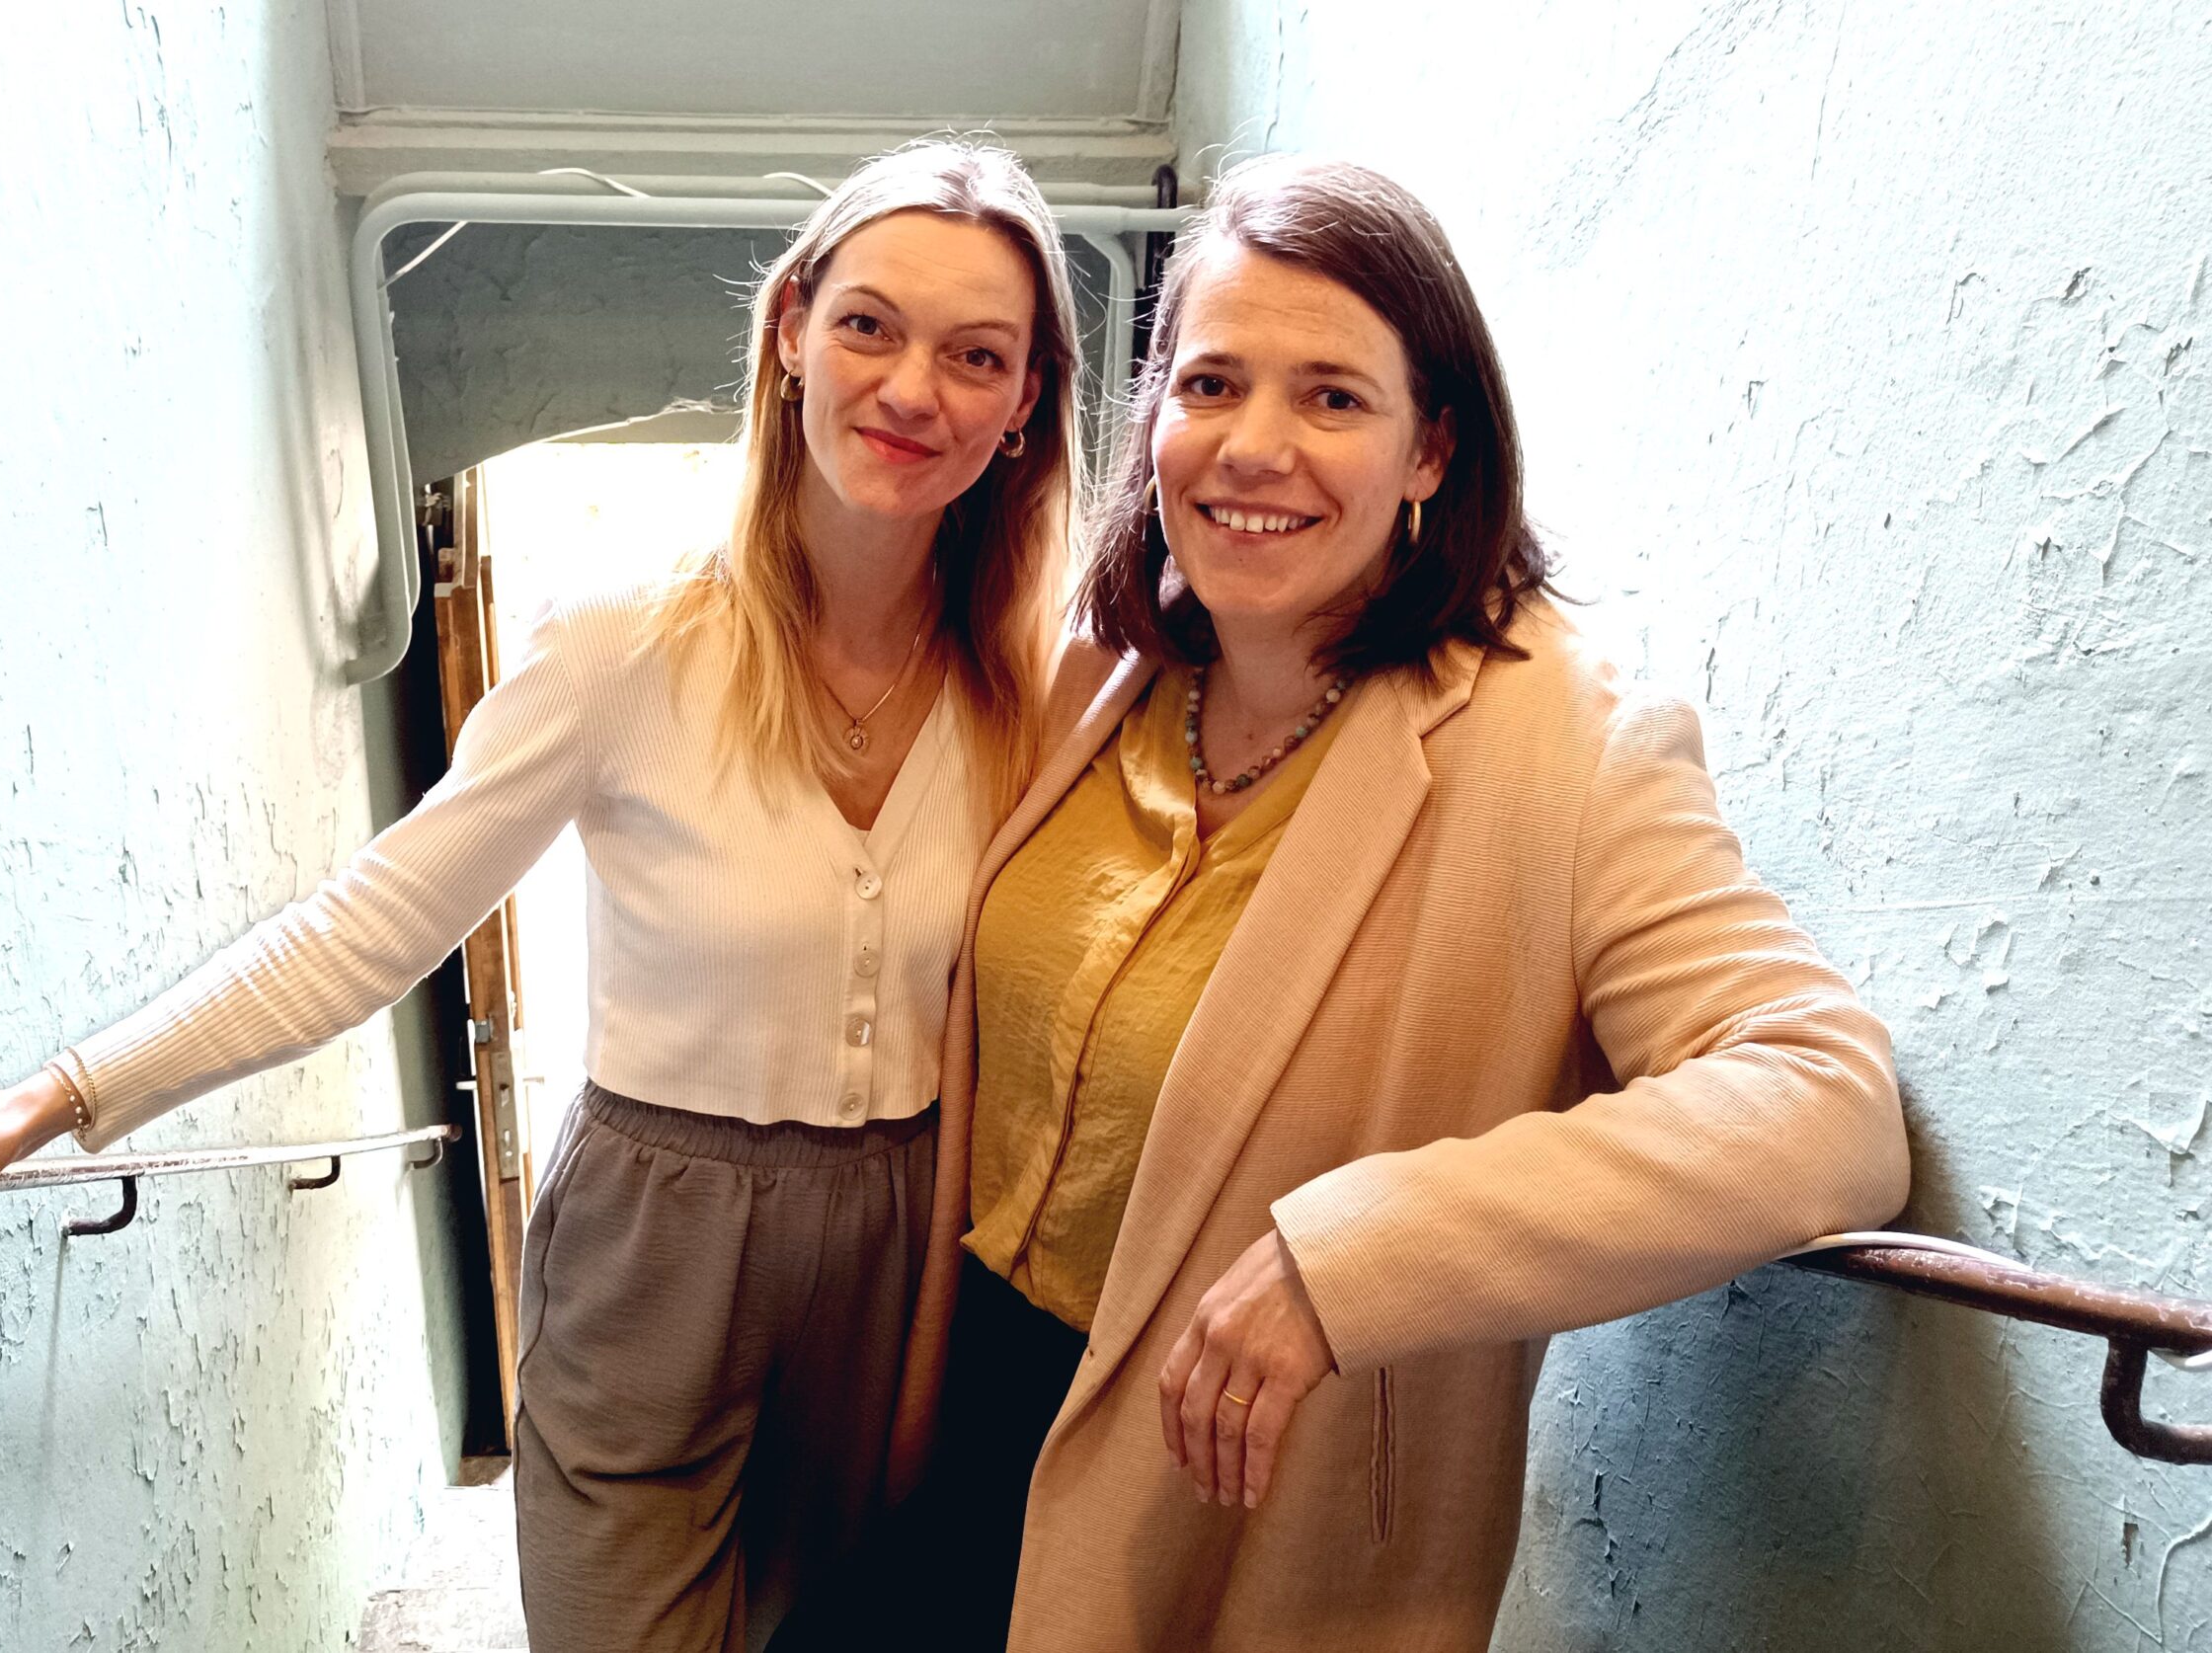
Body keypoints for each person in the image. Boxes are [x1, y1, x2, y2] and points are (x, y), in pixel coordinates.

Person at [0, 138, 1085, 1653]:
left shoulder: (1044, 687)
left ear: (1027, 403)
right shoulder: (625, 646)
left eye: (977, 355)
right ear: (791, 332)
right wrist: (49, 1099)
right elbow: (372, 922)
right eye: (869, 325)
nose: (912, 388)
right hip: (656, 1237)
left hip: (912, 1255)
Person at [781, 153, 1912, 1651]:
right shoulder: (1105, 673)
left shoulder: (1570, 748)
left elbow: (1826, 1101)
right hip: (963, 1415)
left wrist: (1357, 1255)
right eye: (1211, 385)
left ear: (1432, 448)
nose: (1254, 448)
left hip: (1233, 1485)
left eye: (1332, 397)